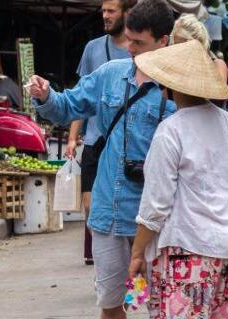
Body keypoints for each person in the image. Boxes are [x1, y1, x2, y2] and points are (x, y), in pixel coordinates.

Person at [27, 0, 175, 319]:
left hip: (161, 220)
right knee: (113, 303)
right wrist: (44, 95)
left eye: (140, 42)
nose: (130, 47)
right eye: (128, 39)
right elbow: (68, 106)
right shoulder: (112, 75)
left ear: (164, 41)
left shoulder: (180, 86)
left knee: (168, 310)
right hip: (111, 213)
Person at [126, 40, 228, 319]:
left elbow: (155, 205)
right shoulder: (227, 124)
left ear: (168, 87)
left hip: (188, 248)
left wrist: (138, 252)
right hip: (226, 247)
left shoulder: (170, 132)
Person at [67, 0, 136, 266]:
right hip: (96, 140)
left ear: (126, 13)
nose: (105, 16)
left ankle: (125, 259)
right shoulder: (92, 49)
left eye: (111, 12)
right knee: (90, 205)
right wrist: (74, 137)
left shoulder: (137, 49)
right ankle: (105, 259)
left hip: (128, 143)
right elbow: (81, 98)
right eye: (103, 11)